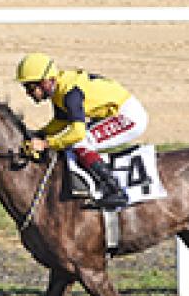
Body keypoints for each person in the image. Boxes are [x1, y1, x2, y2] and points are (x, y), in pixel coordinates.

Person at [15, 52, 150, 210]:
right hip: (114, 113)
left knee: (80, 142)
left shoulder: (70, 94)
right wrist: (35, 134)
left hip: (129, 116)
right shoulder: (59, 89)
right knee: (72, 142)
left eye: (31, 87)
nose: (29, 93)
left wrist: (46, 144)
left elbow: (77, 133)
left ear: (46, 81)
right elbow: (60, 123)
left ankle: (115, 190)